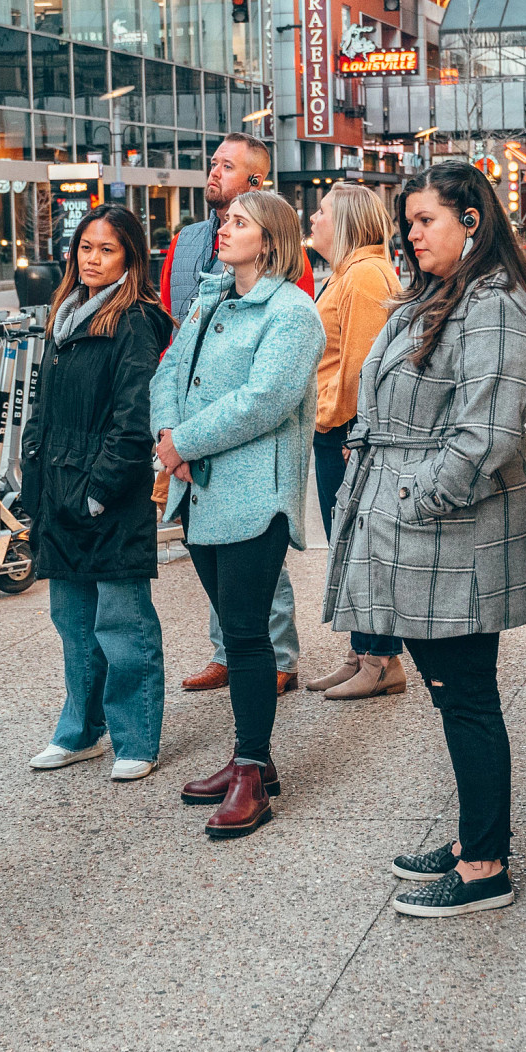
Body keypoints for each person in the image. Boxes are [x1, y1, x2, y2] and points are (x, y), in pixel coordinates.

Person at [323, 160, 526, 917]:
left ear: (472, 220)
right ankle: (473, 837)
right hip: (419, 525)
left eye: (425, 220)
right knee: (454, 695)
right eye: (408, 221)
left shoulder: (494, 303)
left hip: (452, 529)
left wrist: (413, 497)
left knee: (467, 695)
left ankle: (485, 865)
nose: (411, 234)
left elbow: (487, 433)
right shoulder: (438, 295)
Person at [151, 190, 325, 839]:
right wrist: (170, 438)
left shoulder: (292, 311)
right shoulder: (211, 297)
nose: (224, 229)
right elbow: (168, 371)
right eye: (226, 220)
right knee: (232, 625)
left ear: (271, 237)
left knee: (249, 632)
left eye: (240, 222)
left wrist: (185, 442)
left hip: (255, 497)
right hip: (198, 491)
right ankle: (250, 754)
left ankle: (252, 770)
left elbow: (266, 399)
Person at [23, 204, 175, 782]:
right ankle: (80, 731)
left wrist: (97, 492)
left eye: (107, 249)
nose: (93, 258)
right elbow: (43, 411)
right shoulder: (65, 316)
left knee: (123, 624)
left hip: (106, 495)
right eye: (86, 247)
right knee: (73, 623)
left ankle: (135, 738)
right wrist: (33, 486)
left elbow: (134, 418)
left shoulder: (133, 319)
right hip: (58, 490)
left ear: (129, 258)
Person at [161, 133, 314, 695]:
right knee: (216, 561)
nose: (213, 172)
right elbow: (174, 343)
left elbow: (267, 387)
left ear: (255, 180)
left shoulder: (283, 275)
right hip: (191, 433)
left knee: (255, 567)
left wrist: (187, 440)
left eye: (227, 166)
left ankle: (273, 659)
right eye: (212, 163)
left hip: (239, 445)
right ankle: (228, 653)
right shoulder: (188, 242)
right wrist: (169, 433)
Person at [304, 183, 408, 699]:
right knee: (348, 545)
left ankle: (383, 659)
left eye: (321, 211)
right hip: (338, 429)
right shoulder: (347, 274)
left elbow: (363, 367)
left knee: (363, 546)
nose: (313, 217)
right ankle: (362, 651)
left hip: (347, 432)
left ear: (343, 221)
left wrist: (335, 421)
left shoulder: (364, 276)